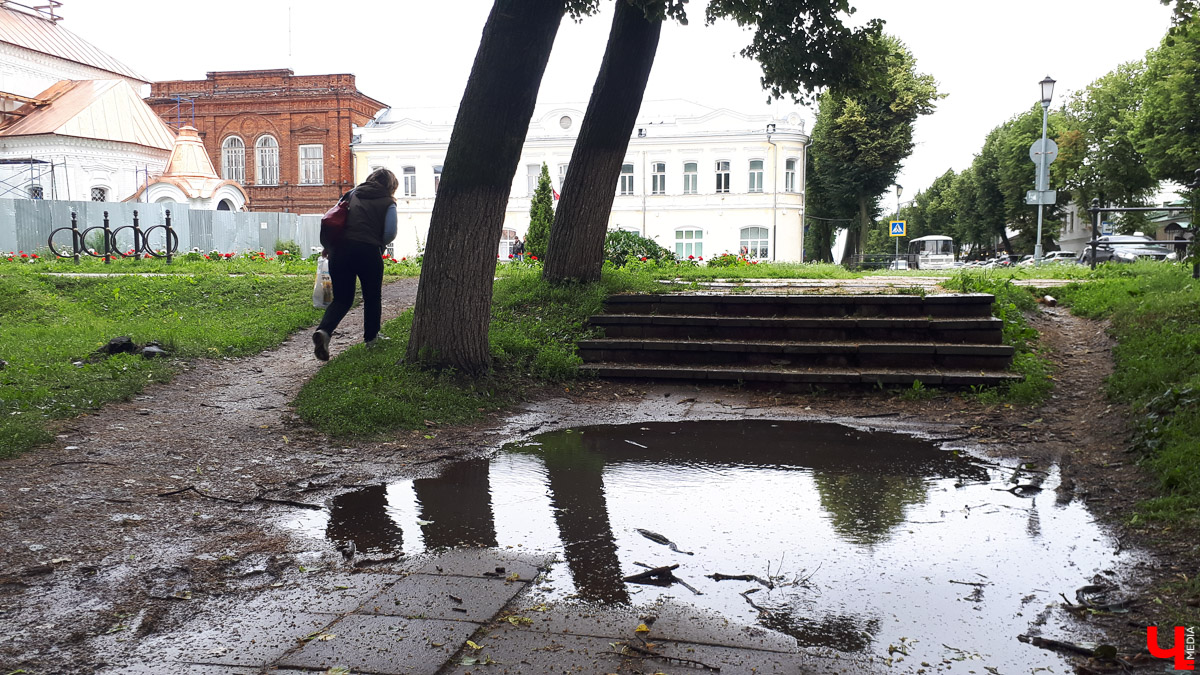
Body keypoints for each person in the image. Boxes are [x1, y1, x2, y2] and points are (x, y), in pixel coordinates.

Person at [313, 168, 398, 361]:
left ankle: (324, 331)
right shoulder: (388, 202)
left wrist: (330, 245)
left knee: (342, 299)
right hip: (368, 251)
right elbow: (390, 233)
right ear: (391, 186)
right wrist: (378, 243)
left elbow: (333, 219)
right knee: (372, 296)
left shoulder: (351, 194)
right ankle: (372, 338)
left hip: (340, 251)